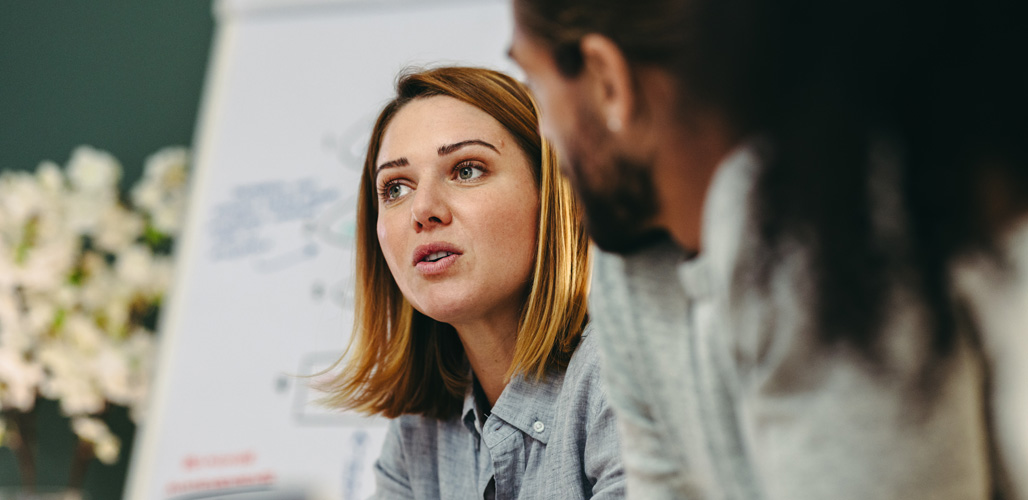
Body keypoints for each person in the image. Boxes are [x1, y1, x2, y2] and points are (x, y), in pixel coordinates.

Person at [509, 1, 1028, 499]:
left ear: (607, 81)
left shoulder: (818, 232)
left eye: (534, 83)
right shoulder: (629, 270)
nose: (545, 135)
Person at [321, 66, 625, 499]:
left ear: (556, 195)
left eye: (466, 170)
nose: (422, 210)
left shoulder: (631, 379)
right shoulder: (419, 431)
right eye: (395, 188)